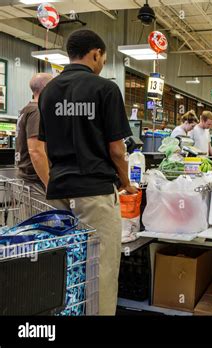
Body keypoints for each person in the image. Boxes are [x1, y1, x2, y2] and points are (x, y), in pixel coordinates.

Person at [38, 29, 137, 315]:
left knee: (62, 266)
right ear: (95, 54)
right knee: (100, 269)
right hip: (94, 192)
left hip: (57, 193)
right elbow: (117, 150)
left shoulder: (49, 92)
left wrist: (54, 181)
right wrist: (127, 183)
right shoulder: (104, 89)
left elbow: (44, 147)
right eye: (103, 59)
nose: (102, 64)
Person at [16, 73, 52, 198]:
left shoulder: (26, 109)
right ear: (48, 88)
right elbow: (35, 150)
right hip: (36, 182)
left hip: (27, 179)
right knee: (44, 217)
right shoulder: (37, 111)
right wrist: (49, 184)